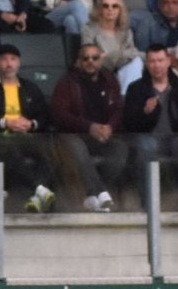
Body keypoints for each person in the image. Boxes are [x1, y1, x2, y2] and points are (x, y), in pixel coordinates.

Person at [0, 44, 61, 212]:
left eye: (13, 59)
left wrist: (32, 124)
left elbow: (44, 116)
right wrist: (4, 123)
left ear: (19, 63)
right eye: (4, 59)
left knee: (50, 150)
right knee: (9, 147)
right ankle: (39, 189)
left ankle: (37, 197)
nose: (9, 63)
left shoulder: (30, 88)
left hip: (28, 136)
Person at [123, 44, 178, 209]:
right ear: (147, 64)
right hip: (148, 138)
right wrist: (145, 112)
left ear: (168, 61)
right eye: (152, 61)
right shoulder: (136, 88)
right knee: (146, 146)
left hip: (175, 140)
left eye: (160, 60)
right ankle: (148, 200)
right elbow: (128, 123)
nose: (157, 65)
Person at [52, 42, 131, 210]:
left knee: (120, 150)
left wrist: (109, 126)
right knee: (77, 148)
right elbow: (60, 115)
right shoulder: (67, 82)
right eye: (85, 58)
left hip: (102, 136)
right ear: (79, 61)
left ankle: (92, 194)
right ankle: (100, 192)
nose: (90, 61)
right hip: (74, 135)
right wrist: (89, 127)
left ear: (101, 59)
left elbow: (118, 109)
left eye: (95, 57)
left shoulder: (110, 80)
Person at [85, 0, 146, 90]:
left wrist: (110, 55)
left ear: (120, 9)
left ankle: (126, 97)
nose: (110, 9)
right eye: (106, 6)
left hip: (123, 71)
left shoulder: (126, 32)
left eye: (115, 6)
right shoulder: (89, 29)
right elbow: (90, 57)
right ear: (99, 9)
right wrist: (123, 54)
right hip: (100, 72)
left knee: (137, 63)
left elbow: (132, 55)